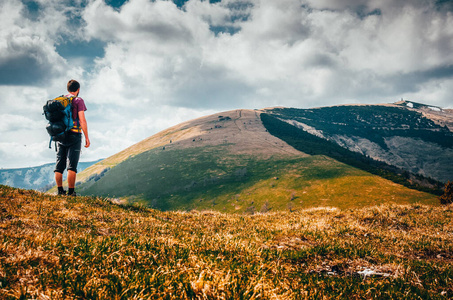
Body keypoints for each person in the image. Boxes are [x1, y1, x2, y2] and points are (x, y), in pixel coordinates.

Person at [54, 79, 90, 196]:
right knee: (72, 166)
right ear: (78, 89)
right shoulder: (78, 100)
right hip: (75, 134)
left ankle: (60, 191)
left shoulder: (60, 100)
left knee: (59, 166)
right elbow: (82, 120)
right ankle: (71, 192)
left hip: (61, 135)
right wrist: (87, 137)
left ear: (68, 89)